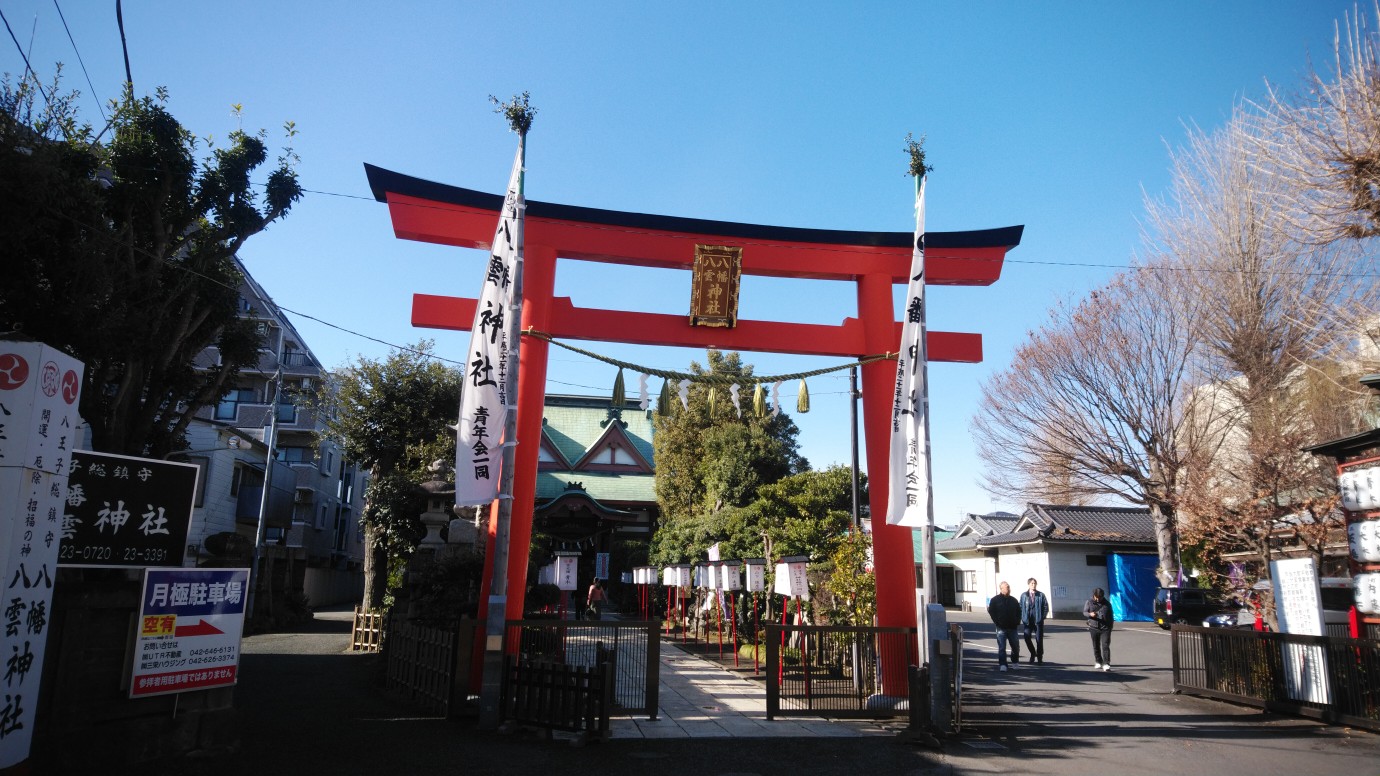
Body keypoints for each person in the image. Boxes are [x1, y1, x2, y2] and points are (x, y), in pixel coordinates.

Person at [987, 580, 1022, 671]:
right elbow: (991, 611)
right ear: (1001, 589)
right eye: (1007, 587)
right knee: (1002, 647)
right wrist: (997, 622)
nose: (1008, 589)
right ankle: (1003, 664)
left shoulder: (1013, 600)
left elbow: (1019, 611)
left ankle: (1015, 662)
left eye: (1009, 587)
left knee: (1015, 645)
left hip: (1012, 627)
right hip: (1001, 627)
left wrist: (1017, 621)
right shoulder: (995, 600)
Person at [1020, 577, 1050, 663]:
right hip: (1028, 621)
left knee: (1039, 640)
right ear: (1028, 584)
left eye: (1034, 583)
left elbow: (1045, 607)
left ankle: (1040, 657)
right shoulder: (1024, 595)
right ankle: (1033, 653)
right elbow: (1020, 607)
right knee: (1027, 637)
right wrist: (1023, 617)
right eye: (1032, 583)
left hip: (1038, 621)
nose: (1033, 585)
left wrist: (1042, 617)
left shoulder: (1041, 595)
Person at [1084, 587, 1113, 671]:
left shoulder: (1107, 604)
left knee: (1105, 645)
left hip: (1105, 628)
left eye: (1100, 597)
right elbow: (1084, 612)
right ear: (1094, 595)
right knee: (1096, 645)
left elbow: (1111, 616)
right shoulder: (1089, 602)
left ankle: (1106, 663)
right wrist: (1090, 614)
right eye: (1097, 597)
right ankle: (1098, 661)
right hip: (1093, 627)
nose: (1098, 599)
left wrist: (1110, 627)